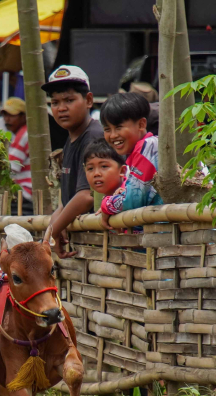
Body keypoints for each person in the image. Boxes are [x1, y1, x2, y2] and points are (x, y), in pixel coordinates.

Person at [42, 65, 104, 258]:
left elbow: (86, 196)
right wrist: (54, 226)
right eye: (55, 102)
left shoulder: (93, 137)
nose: (61, 108)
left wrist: (49, 235)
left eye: (69, 100)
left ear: (88, 100)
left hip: (101, 243)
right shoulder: (71, 139)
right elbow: (67, 201)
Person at [98, 92, 162, 227]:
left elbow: (132, 199)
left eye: (118, 127)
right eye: (107, 129)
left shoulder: (148, 146)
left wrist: (106, 205)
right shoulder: (136, 152)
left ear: (141, 124)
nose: (113, 135)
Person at [3, 97, 32, 214]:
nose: (7, 119)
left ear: (23, 117)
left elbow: (9, 170)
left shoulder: (23, 135)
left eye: (12, 115)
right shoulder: (26, 133)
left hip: (24, 194)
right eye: (5, 115)